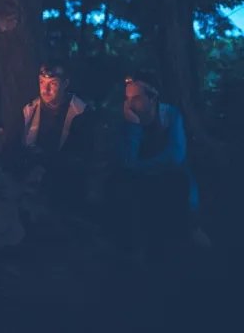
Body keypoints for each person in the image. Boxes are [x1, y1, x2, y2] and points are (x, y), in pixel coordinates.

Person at [109, 70, 199, 256]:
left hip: (166, 177)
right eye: (128, 99)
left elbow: (175, 155)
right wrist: (133, 127)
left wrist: (139, 168)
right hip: (138, 182)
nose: (130, 105)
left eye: (137, 98)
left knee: (177, 184)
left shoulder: (169, 116)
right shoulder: (125, 120)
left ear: (153, 98)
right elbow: (124, 161)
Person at [16, 62, 95, 208]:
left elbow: (82, 157)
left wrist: (47, 166)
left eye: (52, 84)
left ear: (65, 84)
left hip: (65, 186)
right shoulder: (29, 110)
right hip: (30, 181)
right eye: (42, 82)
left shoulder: (80, 113)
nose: (45, 90)